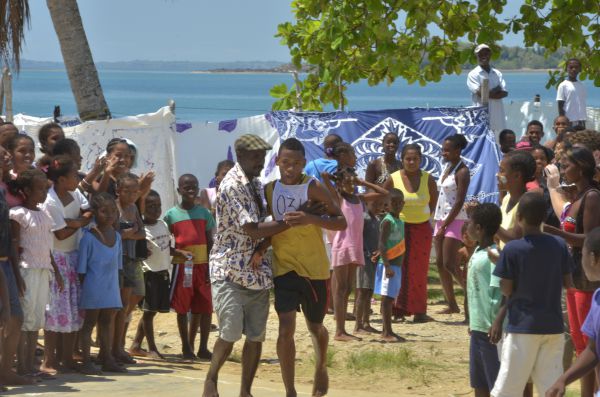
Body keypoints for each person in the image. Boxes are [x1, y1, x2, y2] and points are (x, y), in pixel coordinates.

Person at [203, 134, 290, 397]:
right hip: (229, 269)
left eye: (263, 155)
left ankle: (245, 391)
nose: (261, 160)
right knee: (229, 334)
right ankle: (211, 378)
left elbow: (262, 227)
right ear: (239, 156)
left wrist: (264, 247)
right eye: (255, 156)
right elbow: (252, 229)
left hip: (256, 272)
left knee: (255, 336)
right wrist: (292, 221)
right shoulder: (232, 186)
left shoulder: (255, 183)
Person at [264, 137, 347, 397]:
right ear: (277, 161)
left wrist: (310, 218)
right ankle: (290, 390)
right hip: (284, 267)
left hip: (315, 269)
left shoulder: (313, 187)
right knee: (285, 328)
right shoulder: (269, 189)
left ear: (303, 164)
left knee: (315, 327)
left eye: (296, 163)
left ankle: (321, 366)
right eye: (285, 162)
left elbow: (341, 222)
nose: (290, 168)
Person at [491, 192, 573, 396]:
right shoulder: (559, 245)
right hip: (553, 326)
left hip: (523, 326)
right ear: (544, 217)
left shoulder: (512, 249)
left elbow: (507, 289)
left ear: (519, 217)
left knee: (508, 388)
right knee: (551, 387)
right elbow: (568, 283)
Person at [544, 147, 600, 397]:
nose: (564, 170)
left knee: (591, 345)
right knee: (579, 342)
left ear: (581, 166)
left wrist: (557, 233)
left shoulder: (592, 197)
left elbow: (590, 239)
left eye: (567, 166)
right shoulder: (578, 196)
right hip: (575, 276)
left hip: (587, 280)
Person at [323, 142, 388, 341]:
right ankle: (339, 331)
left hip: (355, 248)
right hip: (342, 247)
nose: (352, 185)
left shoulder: (359, 198)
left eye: (354, 182)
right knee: (341, 289)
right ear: (341, 184)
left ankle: (343, 329)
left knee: (348, 289)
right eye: (348, 182)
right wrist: (337, 179)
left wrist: (362, 182)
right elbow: (326, 179)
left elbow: (384, 193)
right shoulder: (338, 197)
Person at [9, 169, 63, 377]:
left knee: (36, 320)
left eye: (45, 189)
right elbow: (14, 248)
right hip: (26, 270)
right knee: (25, 321)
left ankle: (30, 365)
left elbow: (47, 246)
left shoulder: (45, 214)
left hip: (43, 271)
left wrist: (56, 271)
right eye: (40, 189)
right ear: (26, 191)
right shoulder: (18, 215)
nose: (43, 193)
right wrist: (16, 276)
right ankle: (21, 365)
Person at [40, 156, 92, 373]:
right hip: (57, 259)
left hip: (73, 256)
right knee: (55, 311)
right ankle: (49, 359)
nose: (77, 179)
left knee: (73, 309)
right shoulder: (50, 201)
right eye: (73, 176)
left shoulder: (75, 193)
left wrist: (76, 222)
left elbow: (88, 212)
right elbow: (60, 234)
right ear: (61, 179)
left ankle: (67, 357)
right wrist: (79, 223)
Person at [129, 190, 191, 359]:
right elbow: (138, 249)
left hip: (163, 273)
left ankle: (135, 344)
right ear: (142, 208)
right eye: (150, 206)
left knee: (152, 311)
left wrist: (178, 252)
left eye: (158, 206)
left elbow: (164, 247)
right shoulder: (141, 229)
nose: (155, 210)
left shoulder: (162, 224)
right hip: (149, 274)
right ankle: (152, 348)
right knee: (149, 312)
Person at [384, 144, 438, 322]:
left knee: (419, 271)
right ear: (402, 160)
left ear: (421, 159)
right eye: (408, 158)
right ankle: (397, 311)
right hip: (399, 229)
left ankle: (419, 311)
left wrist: (423, 217)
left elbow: (433, 202)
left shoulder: (428, 179)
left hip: (421, 229)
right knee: (398, 268)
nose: (412, 162)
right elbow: (383, 196)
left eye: (415, 158)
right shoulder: (393, 178)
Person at [165, 174, 214, 360]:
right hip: (183, 267)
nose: (191, 189)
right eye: (186, 187)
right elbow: (162, 242)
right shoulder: (171, 215)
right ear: (179, 190)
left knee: (205, 307)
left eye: (194, 186)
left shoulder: (204, 213)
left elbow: (210, 242)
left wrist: (211, 265)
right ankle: (186, 347)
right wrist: (177, 253)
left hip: (202, 266)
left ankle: (203, 348)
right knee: (182, 308)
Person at [546, 227, 600, 396]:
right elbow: (592, 350)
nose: (580, 263)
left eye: (581, 255)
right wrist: (564, 379)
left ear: (593, 259)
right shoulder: (597, 298)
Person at [78, 193, 125, 374]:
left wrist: (116, 288)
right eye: (104, 211)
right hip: (93, 288)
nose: (110, 215)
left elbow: (118, 267)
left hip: (110, 288)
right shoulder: (88, 238)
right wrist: (88, 289)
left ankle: (107, 358)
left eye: (113, 211)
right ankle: (86, 361)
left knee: (106, 322)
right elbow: (81, 270)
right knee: (89, 324)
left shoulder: (118, 237)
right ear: (95, 213)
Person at [465, 203, 504, 397]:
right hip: (478, 328)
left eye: (469, 222)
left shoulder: (494, 254)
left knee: (495, 383)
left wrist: (497, 322)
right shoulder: (478, 251)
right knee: (479, 382)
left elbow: (504, 292)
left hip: (491, 331)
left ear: (479, 228)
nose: (467, 226)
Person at [0, 150, 30, 386]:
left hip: (6, 262)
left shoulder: (3, 190)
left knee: (15, 317)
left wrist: (15, 269)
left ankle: (5, 370)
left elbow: (7, 236)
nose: (7, 158)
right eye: (1, 157)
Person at [434, 134, 470, 314]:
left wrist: (444, 225)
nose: (444, 153)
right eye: (443, 149)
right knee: (440, 263)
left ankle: (471, 295)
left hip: (454, 219)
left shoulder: (462, 171)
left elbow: (459, 202)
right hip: (440, 217)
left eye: (447, 150)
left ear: (458, 150)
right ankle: (452, 304)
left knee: (450, 263)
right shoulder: (447, 167)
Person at [113, 173, 145, 364]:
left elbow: (141, 232)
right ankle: (112, 348)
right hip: (117, 261)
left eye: (135, 191)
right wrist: (127, 233)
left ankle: (118, 346)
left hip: (131, 259)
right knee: (116, 307)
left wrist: (129, 234)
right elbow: (112, 232)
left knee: (126, 305)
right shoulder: (114, 208)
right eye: (128, 191)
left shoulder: (133, 208)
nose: (132, 195)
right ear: (118, 191)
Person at [374, 188, 406, 342]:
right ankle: (386, 332)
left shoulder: (400, 221)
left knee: (391, 298)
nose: (397, 205)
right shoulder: (387, 221)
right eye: (394, 203)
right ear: (387, 206)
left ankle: (389, 330)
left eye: (400, 202)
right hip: (389, 266)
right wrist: (386, 266)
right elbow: (381, 244)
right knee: (386, 300)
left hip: (397, 266)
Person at [354, 197, 383, 334]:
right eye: (374, 203)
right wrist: (365, 253)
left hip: (374, 260)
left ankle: (366, 322)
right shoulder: (364, 219)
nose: (378, 206)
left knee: (369, 292)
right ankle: (358, 325)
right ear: (366, 204)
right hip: (364, 260)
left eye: (380, 204)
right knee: (362, 292)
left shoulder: (377, 220)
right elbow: (357, 238)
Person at [467, 44, 508, 134]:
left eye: (486, 54)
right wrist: (496, 90)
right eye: (480, 54)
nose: (483, 56)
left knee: (498, 144)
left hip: (498, 118)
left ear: (490, 55)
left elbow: (504, 93)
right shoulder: (473, 74)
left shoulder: (497, 73)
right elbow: (480, 93)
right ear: (476, 56)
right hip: (480, 118)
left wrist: (486, 92)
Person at [557, 59, 587, 128]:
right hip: (569, 121)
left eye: (576, 67)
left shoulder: (581, 85)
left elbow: (581, 103)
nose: (573, 69)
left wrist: (583, 120)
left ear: (580, 69)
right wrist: (563, 122)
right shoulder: (563, 85)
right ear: (566, 69)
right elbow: (560, 105)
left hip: (581, 121)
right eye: (571, 67)